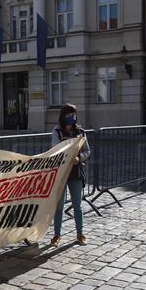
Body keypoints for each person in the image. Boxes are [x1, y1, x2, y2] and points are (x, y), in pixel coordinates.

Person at [50, 103, 91, 246]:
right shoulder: (56, 132)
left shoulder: (81, 132)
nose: (71, 117)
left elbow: (87, 151)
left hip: (75, 172)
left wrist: (80, 158)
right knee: (59, 206)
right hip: (61, 173)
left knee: (77, 205)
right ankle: (57, 235)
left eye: (73, 114)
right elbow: (56, 150)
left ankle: (80, 234)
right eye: (68, 115)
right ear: (63, 116)